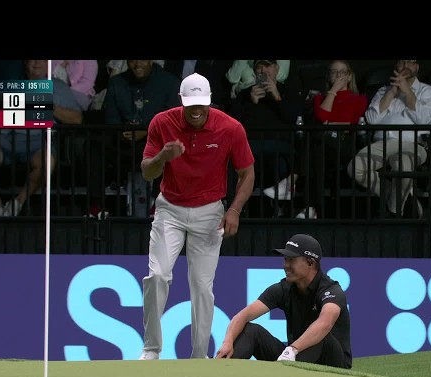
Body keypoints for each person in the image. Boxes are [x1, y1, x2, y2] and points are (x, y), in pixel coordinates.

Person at [138, 72, 255, 360]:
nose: (197, 110)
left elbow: (247, 172)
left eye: (202, 103)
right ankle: (151, 349)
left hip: (209, 212)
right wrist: (162, 157)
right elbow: (147, 171)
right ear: (182, 101)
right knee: (158, 276)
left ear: (210, 100)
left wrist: (234, 209)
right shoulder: (162, 123)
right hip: (170, 208)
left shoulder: (230, 128)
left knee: (202, 286)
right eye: (191, 104)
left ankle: (199, 355)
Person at [215, 233, 352, 369]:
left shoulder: (331, 290)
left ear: (310, 262)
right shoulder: (284, 288)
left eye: (291, 259)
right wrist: (228, 341)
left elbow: (325, 323)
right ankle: (222, 370)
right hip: (293, 358)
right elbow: (243, 316)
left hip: (334, 365)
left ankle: (283, 374)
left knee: (321, 335)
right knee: (251, 330)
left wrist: (292, 349)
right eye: (285, 259)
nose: (285, 265)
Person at [0, 60, 83, 216]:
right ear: (25, 63)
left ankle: (17, 203)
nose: (36, 62)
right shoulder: (13, 84)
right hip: (6, 137)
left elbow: (77, 118)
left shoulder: (57, 86)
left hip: (37, 141)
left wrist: (49, 107)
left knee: (47, 161)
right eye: (32, 59)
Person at [86, 60, 181, 217]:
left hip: (154, 146)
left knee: (171, 146)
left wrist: (145, 132)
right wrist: (122, 132)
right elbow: (111, 121)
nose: (137, 64)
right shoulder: (117, 82)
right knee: (94, 145)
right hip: (123, 145)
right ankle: (96, 206)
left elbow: (174, 123)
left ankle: (160, 204)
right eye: (132, 60)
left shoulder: (169, 82)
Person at [347, 59, 431, 218]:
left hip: (413, 144)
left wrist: (407, 91)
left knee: (402, 166)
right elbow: (372, 119)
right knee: (355, 168)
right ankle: (402, 199)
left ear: (417, 67)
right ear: (396, 67)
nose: (405, 66)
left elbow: (424, 119)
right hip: (382, 143)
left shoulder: (427, 91)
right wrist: (391, 93)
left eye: (410, 62)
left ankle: (394, 212)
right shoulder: (383, 91)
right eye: (402, 62)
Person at [228, 60, 303, 207]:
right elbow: (234, 124)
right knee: (236, 165)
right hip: (251, 149)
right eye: (259, 67)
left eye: (267, 65)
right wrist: (252, 102)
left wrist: (277, 96)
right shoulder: (245, 94)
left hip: (279, 148)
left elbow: (295, 118)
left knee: (278, 165)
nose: (263, 70)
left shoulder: (288, 92)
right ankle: (233, 210)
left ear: (276, 68)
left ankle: (276, 211)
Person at [301, 59, 369, 219]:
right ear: (328, 76)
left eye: (342, 72)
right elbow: (322, 115)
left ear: (350, 76)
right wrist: (333, 91)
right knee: (316, 147)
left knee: (315, 142)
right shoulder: (319, 98)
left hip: (346, 143)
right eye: (334, 71)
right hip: (323, 145)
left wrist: (330, 124)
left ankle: (310, 203)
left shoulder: (359, 99)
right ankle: (315, 208)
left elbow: (353, 123)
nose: (338, 75)